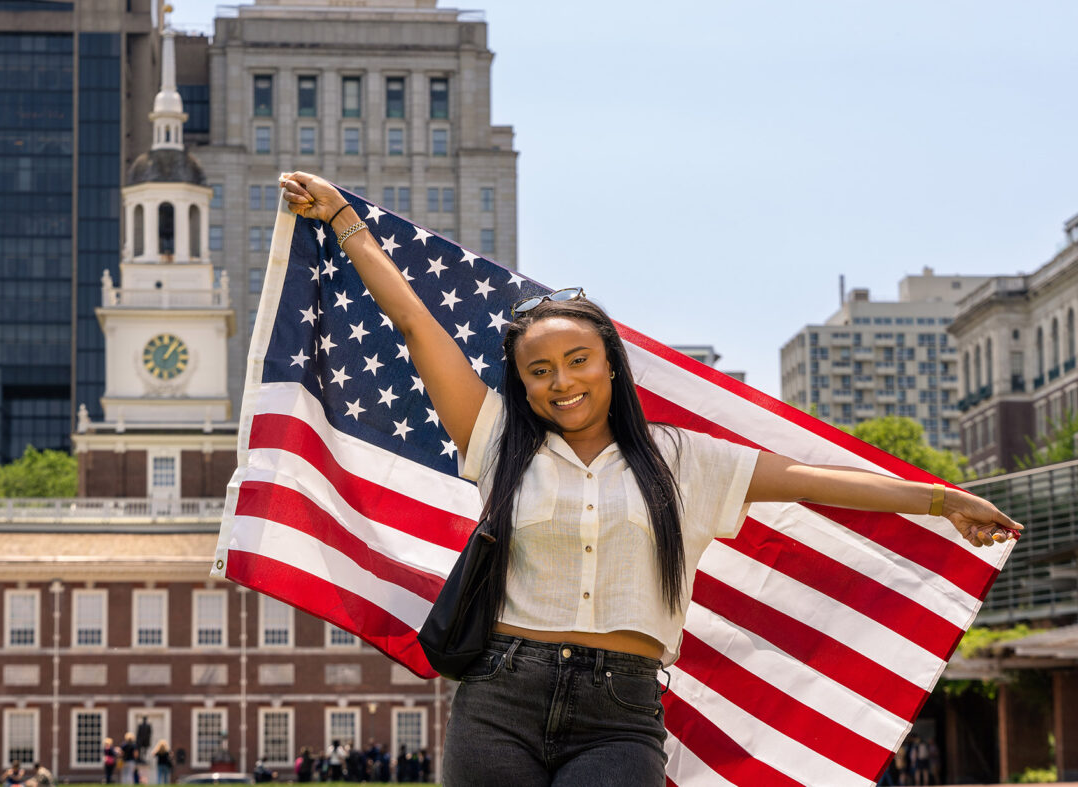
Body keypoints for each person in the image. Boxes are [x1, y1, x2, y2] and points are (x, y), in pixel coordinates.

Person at [278, 171, 1022, 787]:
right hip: (500, 694)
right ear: (525, 385)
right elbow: (415, 322)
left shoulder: (683, 459)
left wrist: (941, 499)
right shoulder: (498, 436)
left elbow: (806, 481)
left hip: (621, 709)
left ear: (609, 364)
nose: (560, 383)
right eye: (539, 372)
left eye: (577, 361)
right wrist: (345, 219)